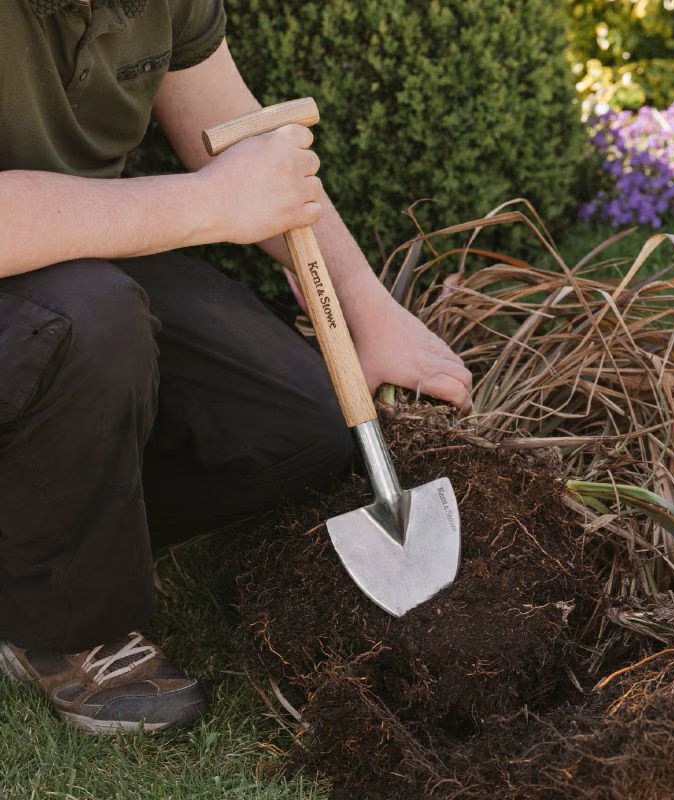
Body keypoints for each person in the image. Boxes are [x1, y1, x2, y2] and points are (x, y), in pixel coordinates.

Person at [0, 0, 472, 735]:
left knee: (300, 424)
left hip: (80, 258)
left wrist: (367, 308)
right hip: (46, 286)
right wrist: (208, 204)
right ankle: (61, 621)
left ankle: (43, 530)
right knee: (88, 321)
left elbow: (234, 134)